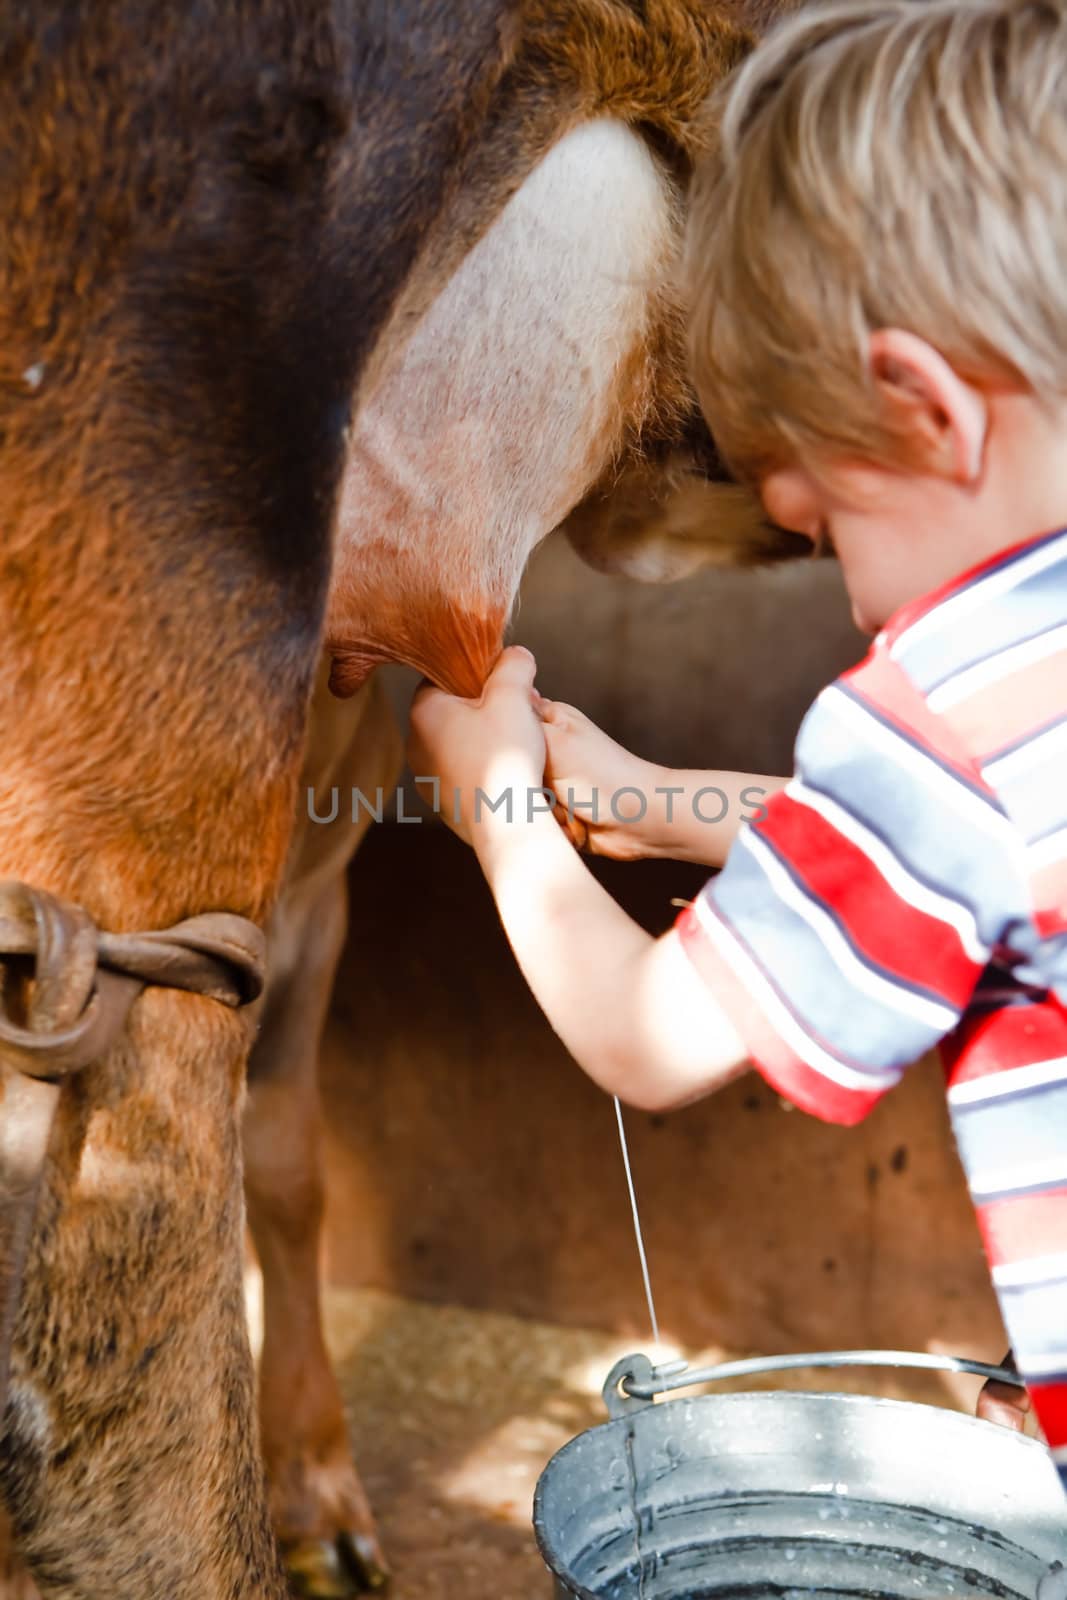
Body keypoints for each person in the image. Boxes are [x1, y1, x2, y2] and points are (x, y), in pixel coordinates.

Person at [407, 0, 1067, 1490]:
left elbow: (647, 1036)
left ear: (925, 410)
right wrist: (658, 801)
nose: (836, 573)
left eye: (819, 521)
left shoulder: (947, 705)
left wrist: (508, 811)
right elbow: (999, 861)